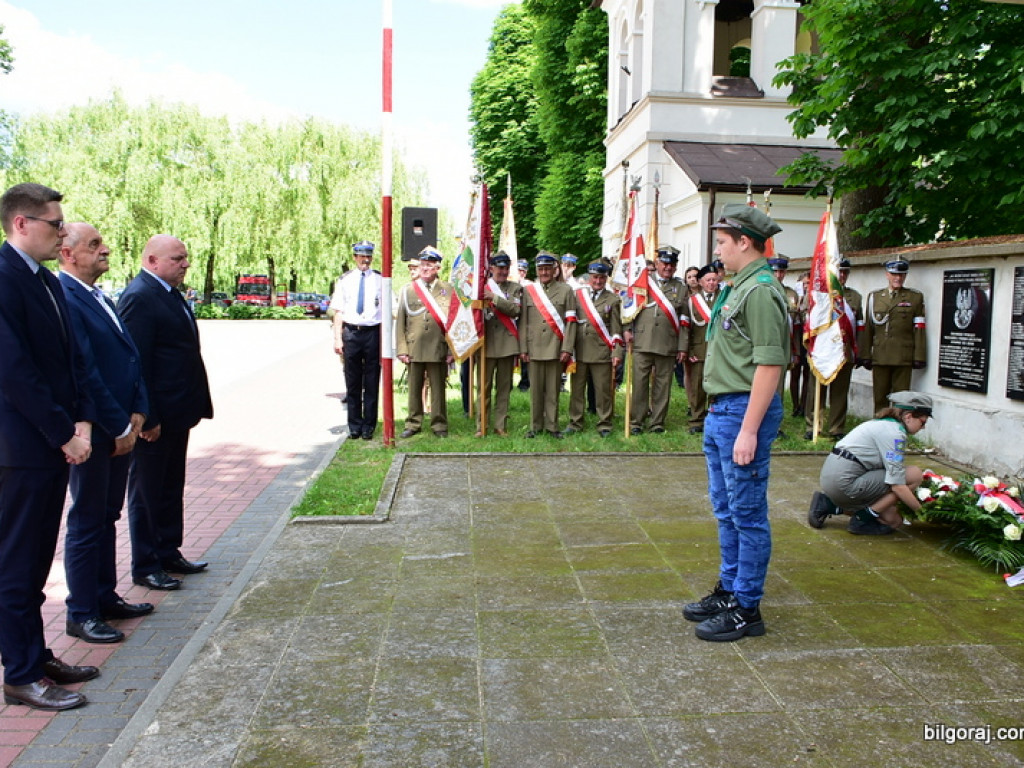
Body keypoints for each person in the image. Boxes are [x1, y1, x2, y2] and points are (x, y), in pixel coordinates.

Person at [0, 183, 97, 711]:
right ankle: (20, 674)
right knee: (16, 564)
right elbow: (14, 371)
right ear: (21, 223)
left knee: (38, 559)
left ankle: (35, 655)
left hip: (55, 442)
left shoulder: (44, 281)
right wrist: (64, 434)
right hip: (20, 448)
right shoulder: (4, 278)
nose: (62, 232)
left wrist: (81, 421)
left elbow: (71, 359)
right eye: (54, 224)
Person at [682, 203, 788, 643]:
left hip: (744, 411)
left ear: (745, 242)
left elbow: (770, 364)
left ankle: (747, 608)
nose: (717, 251)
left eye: (723, 242)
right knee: (726, 510)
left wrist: (747, 429)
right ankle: (729, 589)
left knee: (747, 514)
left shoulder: (761, 290)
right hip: (723, 409)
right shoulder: (738, 285)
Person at [58, 223, 152, 645]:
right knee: (87, 519)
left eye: (102, 242)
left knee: (107, 516)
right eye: (94, 245)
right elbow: (86, 372)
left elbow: (129, 358)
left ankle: (104, 595)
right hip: (98, 428)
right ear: (68, 253)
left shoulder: (99, 295)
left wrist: (140, 410)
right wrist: (116, 424)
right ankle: (81, 611)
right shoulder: (67, 296)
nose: (105, 249)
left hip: (122, 423)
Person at [119, 235, 214, 592]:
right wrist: (148, 416)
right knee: (146, 490)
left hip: (178, 411)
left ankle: (168, 550)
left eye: (185, 257)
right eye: (178, 258)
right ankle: (146, 563)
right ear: (153, 259)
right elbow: (135, 363)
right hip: (156, 418)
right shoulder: (140, 296)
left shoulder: (170, 293)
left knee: (170, 484)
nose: (186, 264)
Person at [808, 391, 931, 535]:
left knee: (893, 520)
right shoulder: (895, 434)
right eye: (922, 422)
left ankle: (828, 504)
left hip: (834, 478)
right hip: (845, 482)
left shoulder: (882, 424)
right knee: (915, 475)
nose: (923, 427)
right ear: (908, 417)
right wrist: (924, 513)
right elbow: (897, 485)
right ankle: (862, 519)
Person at [624, 245, 689, 434]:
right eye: (665, 263)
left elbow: (685, 320)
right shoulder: (644, 282)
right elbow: (629, 307)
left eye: (672, 264)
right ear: (658, 263)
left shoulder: (681, 288)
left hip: (667, 342)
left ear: (676, 267)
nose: (668, 267)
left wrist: (682, 347)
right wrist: (627, 329)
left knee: (662, 385)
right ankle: (636, 421)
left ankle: (657, 422)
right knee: (639, 384)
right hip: (641, 341)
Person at [803, 258, 863, 440]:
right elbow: (809, 321)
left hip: (843, 350)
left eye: (845, 272)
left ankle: (836, 428)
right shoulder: (819, 294)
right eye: (839, 272)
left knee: (839, 393)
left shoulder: (855, 297)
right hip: (822, 350)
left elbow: (859, 326)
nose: (842, 276)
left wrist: (858, 351)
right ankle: (813, 426)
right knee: (816, 392)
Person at [397, 246, 455, 438]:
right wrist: (402, 349)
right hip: (414, 346)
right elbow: (401, 322)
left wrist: (451, 350)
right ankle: (413, 423)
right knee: (414, 387)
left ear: (437, 267)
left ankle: (439, 425)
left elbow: (454, 322)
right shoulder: (408, 290)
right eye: (423, 264)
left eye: (429, 265)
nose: (425, 268)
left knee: (438, 387)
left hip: (438, 346)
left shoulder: (448, 290)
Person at [519, 251, 577, 437]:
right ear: (536, 270)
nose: (544, 272)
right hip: (534, 347)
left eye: (547, 269)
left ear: (554, 270)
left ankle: (552, 426)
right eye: (540, 269)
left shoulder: (566, 290)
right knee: (535, 390)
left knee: (553, 390)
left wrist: (567, 347)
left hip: (556, 347)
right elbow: (524, 322)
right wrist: (523, 348)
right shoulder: (529, 291)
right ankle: (535, 426)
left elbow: (571, 321)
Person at [330, 241, 383, 440]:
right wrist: (337, 338)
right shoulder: (345, 280)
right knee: (352, 382)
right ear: (355, 257)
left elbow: (386, 311)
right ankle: (354, 425)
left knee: (371, 380)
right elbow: (338, 311)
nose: (365, 260)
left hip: (372, 333)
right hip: (351, 333)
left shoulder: (379, 280)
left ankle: (369, 425)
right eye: (361, 256)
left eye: (368, 256)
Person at [860, 258, 927, 413]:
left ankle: (897, 428)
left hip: (903, 356)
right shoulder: (875, 297)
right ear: (887, 275)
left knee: (901, 398)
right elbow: (869, 327)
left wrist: (919, 356)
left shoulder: (915, 297)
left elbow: (920, 328)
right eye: (894, 274)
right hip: (880, 355)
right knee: (880, 397)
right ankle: (879, 425)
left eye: (902, 275)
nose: (898, 278)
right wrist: (865, 354)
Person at [566, 260, 622, 437]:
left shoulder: (613, 299)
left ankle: (604, 423)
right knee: (577, 390)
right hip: (580, 350)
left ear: (606, 278)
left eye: (602, 278)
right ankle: (575, 422)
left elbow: (616, 330)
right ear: (589, 277)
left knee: (603, 390)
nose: (598, 281)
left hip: (601, 351)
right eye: (595, 277)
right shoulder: (578, 296)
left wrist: (617, 352)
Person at [478, 251, 522, 436]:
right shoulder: (481, 287)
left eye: (506, 268)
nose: (503, 271)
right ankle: (482, 425)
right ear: (492, 268)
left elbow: (514, 310)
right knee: (483, 388)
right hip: (486, 344)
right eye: (499, 268)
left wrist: (494, 298)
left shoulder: (515, 288)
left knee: (504, 388)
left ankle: (500, 425)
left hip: (506, 344)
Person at [684, 264, 720, 434]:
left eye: (714, 279)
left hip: (720, 351)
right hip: (699, 351)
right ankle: (696, 420)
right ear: (700, 282)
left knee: (717, 386)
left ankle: (715, 418)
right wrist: (689, 351)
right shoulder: (693, 301)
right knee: (697, 386)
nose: (712, 283)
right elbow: (687, 328)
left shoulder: (725, 298)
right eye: (708, 280)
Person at [769, 255, 804, 416]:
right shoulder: (763, 290)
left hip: (785, 346)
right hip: (767, 344)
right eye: (775, 272)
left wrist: (796, 351)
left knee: (780, 385)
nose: (778, 275)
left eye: (781, 272)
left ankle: (776, 421)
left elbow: (796, 326)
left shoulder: (791, 294)